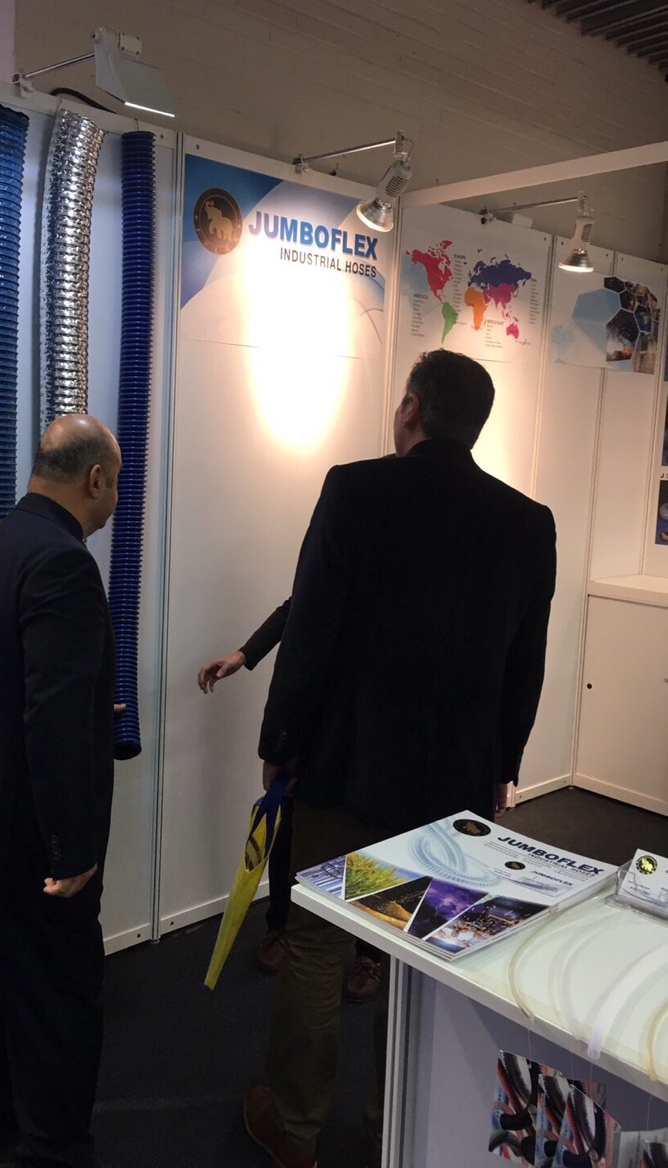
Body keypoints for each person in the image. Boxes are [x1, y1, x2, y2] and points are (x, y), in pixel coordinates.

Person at [242, 349, 557, 1168]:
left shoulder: (354, 490)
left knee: (316, 945)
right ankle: (398, 1125)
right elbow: (523, 667)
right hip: (455, 785)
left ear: (410, 409)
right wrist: (503, 766)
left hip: (344, 770)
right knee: (422, 952)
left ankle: (295, 1130)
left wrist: (279, 745)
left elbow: (309, 632)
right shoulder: (528, 523)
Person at [0, 414, 122, 1168]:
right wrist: (71, 849)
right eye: (116, 484)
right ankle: (53, 1151)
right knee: (57, 1002)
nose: (114, 499)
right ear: (96, 479)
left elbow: (9, 686)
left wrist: (90, 705)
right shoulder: (64, 563)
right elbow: (49, 718)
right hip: (33, 836)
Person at [197, 602, 383, 1002]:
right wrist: (244, 654)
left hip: (383, 718)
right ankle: (279, 925)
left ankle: (370, 953)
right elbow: (297, 606)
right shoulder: (338, 565)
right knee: (290, 821)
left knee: (372, 836)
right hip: (321, 717)